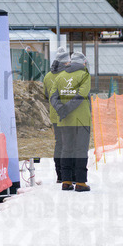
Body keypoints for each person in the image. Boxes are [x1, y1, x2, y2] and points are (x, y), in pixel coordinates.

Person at [50, 52, 92, 192]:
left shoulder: (60, 76)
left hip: (65, 120)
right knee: (81, 149)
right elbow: (81, 95)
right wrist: (67, 109)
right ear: (83, 63)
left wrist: (61, 110)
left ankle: (66, 181)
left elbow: (53, 97)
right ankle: (80, 182)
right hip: (82, 119)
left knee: (66, 149)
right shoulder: (84, 75)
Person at [43, 47, 70, 183]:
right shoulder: (68, 75)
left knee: (59, 143)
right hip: (68, 115)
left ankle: (59, 175)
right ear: (65, 62)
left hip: (54, 115)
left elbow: (46, 95)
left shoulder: (48, 76)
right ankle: (67, 175)